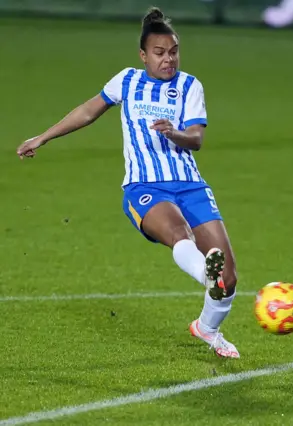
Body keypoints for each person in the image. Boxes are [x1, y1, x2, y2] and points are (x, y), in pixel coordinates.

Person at [16, 7, 240, 359]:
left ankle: (207, 328)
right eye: (160, 53)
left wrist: (174, 132)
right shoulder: (127, 81)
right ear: (143, 55)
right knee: (181, 235)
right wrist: (43, 137)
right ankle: (204, 273)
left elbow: (196, 139)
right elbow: (88, 110)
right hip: (144, 187)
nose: (169, 60)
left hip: (191, 184)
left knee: (230, 276)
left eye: (174, 51)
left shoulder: (189, 86)